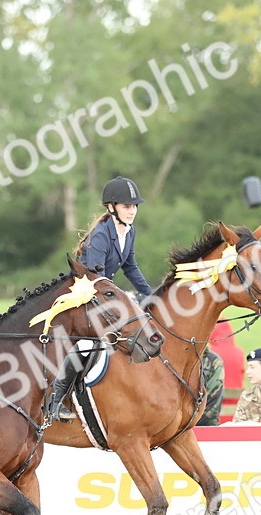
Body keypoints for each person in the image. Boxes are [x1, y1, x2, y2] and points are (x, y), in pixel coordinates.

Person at [46, 176, 156, 422]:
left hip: (102, 294)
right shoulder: (100, 235)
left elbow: (130, 267)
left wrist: (150, 295)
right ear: (112, 207)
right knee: (87, 343)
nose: (132, 211)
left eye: (134, 206)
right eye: (126, 206)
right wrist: (124, 298)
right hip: (82, 296)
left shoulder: (129, 231)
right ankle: (55, 399)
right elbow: (97, 278)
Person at [197, 345, 226, 426]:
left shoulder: (213, 361)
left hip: (205, 425)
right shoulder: (170, 359)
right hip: (173, 426)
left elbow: (212, 406)